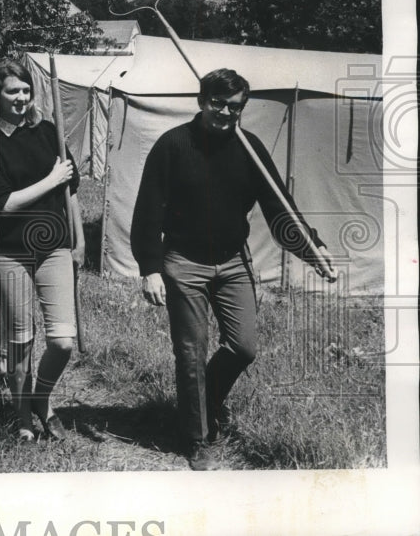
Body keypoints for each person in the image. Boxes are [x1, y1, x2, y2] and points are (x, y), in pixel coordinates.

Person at [131, 68, 335, 470]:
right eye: (218, 103)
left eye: (235, 107)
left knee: (243, 347)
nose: (226, 113)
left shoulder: (250, 148)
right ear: (201, 101)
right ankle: (197, 436)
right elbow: (147, 212)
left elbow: (280, 211)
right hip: (183, 264)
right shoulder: (172, 145)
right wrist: (149, 268)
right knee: (191, 353)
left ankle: (200, 404)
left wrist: (313, 250)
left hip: (234, 261)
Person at [0, 60, 86, 442]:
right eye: (11, 91)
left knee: (62, 341)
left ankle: (41, 396)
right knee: (21, 339)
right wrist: (50, 178)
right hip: (9, 251)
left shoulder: (48, 132)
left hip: (54, 247)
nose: (20, 98)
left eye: (25, 91)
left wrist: (79, 239)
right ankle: (22, 416)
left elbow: (69, 190)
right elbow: (1, 204)